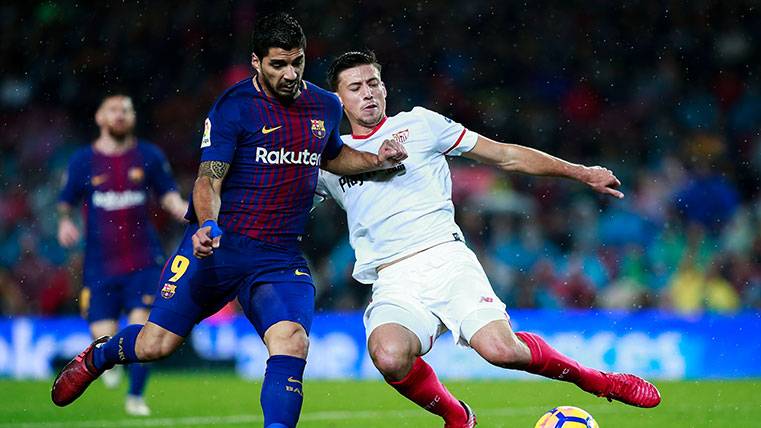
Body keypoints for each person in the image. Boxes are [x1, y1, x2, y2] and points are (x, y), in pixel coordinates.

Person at [51, 14, 406, 428]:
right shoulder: (233, 107)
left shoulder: (325, 105)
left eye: (298, 62)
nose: (290, 73)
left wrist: (374, 160)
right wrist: (205, 224)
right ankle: (100, 355)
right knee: (154, 344)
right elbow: (209, 179)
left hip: (278, 256)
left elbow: (329, 156)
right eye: (278, 64)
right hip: (218, 246)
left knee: (291, 341)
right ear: (257, 62)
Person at [316, 50, 662, 428]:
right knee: (388, 354)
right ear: (338, 100)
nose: (368, 93)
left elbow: (505, 156)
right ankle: (458, 418)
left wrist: (581, 172)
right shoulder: (330, 159)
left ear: (384, 88)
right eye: (356, 87)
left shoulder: (421, 125)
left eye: (374, 83)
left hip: (446, 260)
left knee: (501, 351)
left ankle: (598, 381)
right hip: (393, 280)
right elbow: (279, 190)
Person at [57, 94, 188, 416]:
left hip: (144, 261)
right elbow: (66, 201)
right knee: (102, 335)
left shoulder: (148, 155)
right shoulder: (82, 161)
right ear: (100, 117)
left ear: (133, 118)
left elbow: (169, 196)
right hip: (100, 265)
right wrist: (64, 222)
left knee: (143, 332)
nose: (120, 115)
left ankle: (135, 397)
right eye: (113, 110)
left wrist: (190, 212)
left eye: (126, 110)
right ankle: (107, 359)